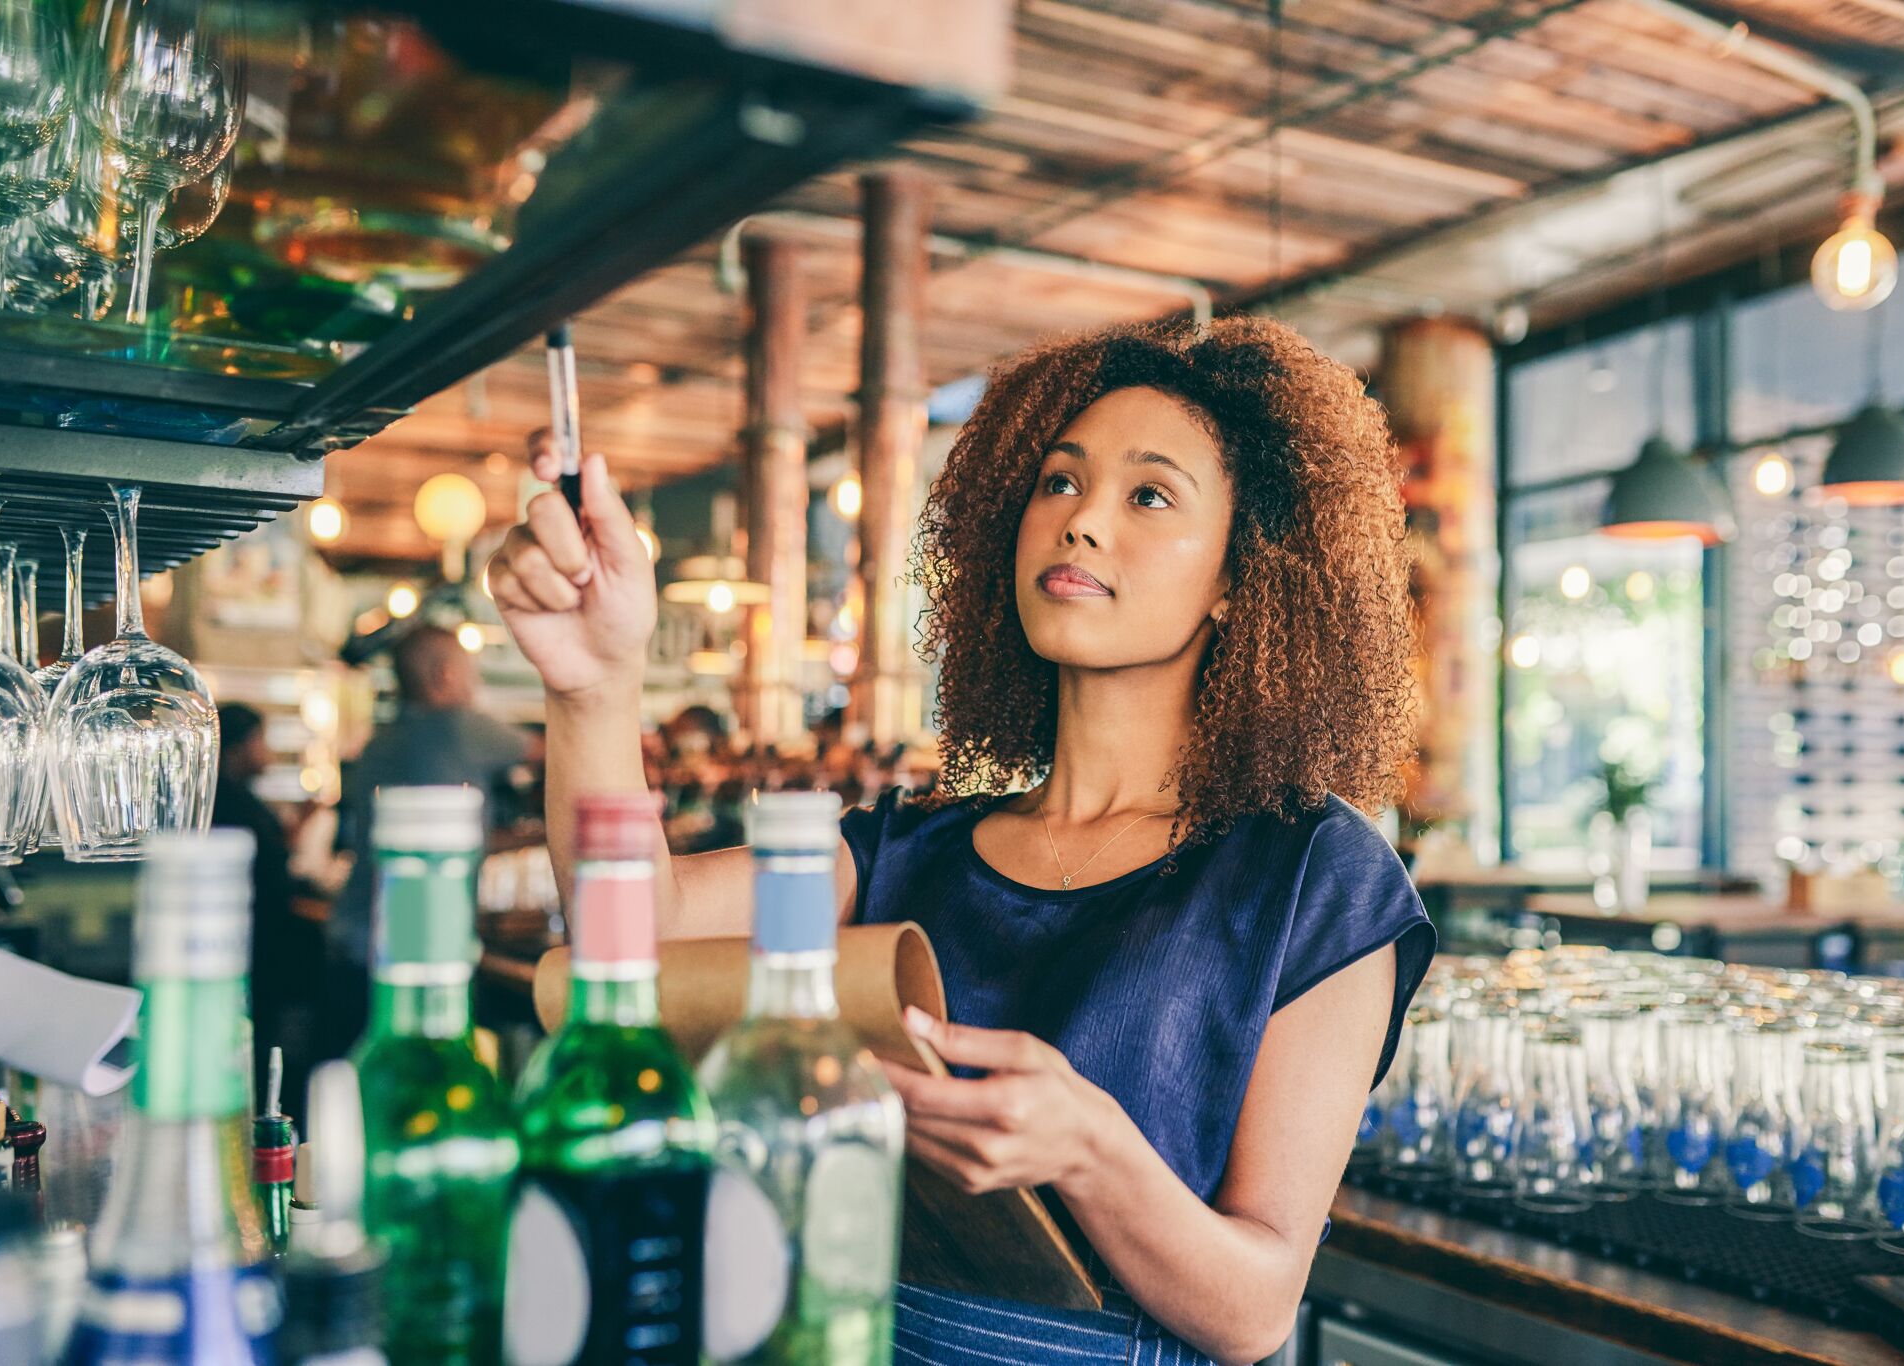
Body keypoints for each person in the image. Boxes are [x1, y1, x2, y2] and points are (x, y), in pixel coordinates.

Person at [488, 317, 1435, 1364]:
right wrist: (592, 684)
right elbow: (636, 930)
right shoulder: (907, 850)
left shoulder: (1314, 875)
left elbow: (1256, 1310)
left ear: (1236, 578)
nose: (1079, 523)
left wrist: (1087, 1149)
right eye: (1058, 482)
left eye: (1148, 494)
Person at [324, 625, 528, 1053]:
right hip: (416, 948)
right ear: (447, 675)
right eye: (469, 668)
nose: (476, 681)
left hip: (352, 935)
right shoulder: (460, 727)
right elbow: (550, 749)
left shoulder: (380, 740)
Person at [212, 703, 308, 1106]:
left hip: (248, 947)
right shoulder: (231, 802)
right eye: (260, 741)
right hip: (252, 949)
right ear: (240, 745)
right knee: (254, 1048)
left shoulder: (222, 796)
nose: (266, 752)